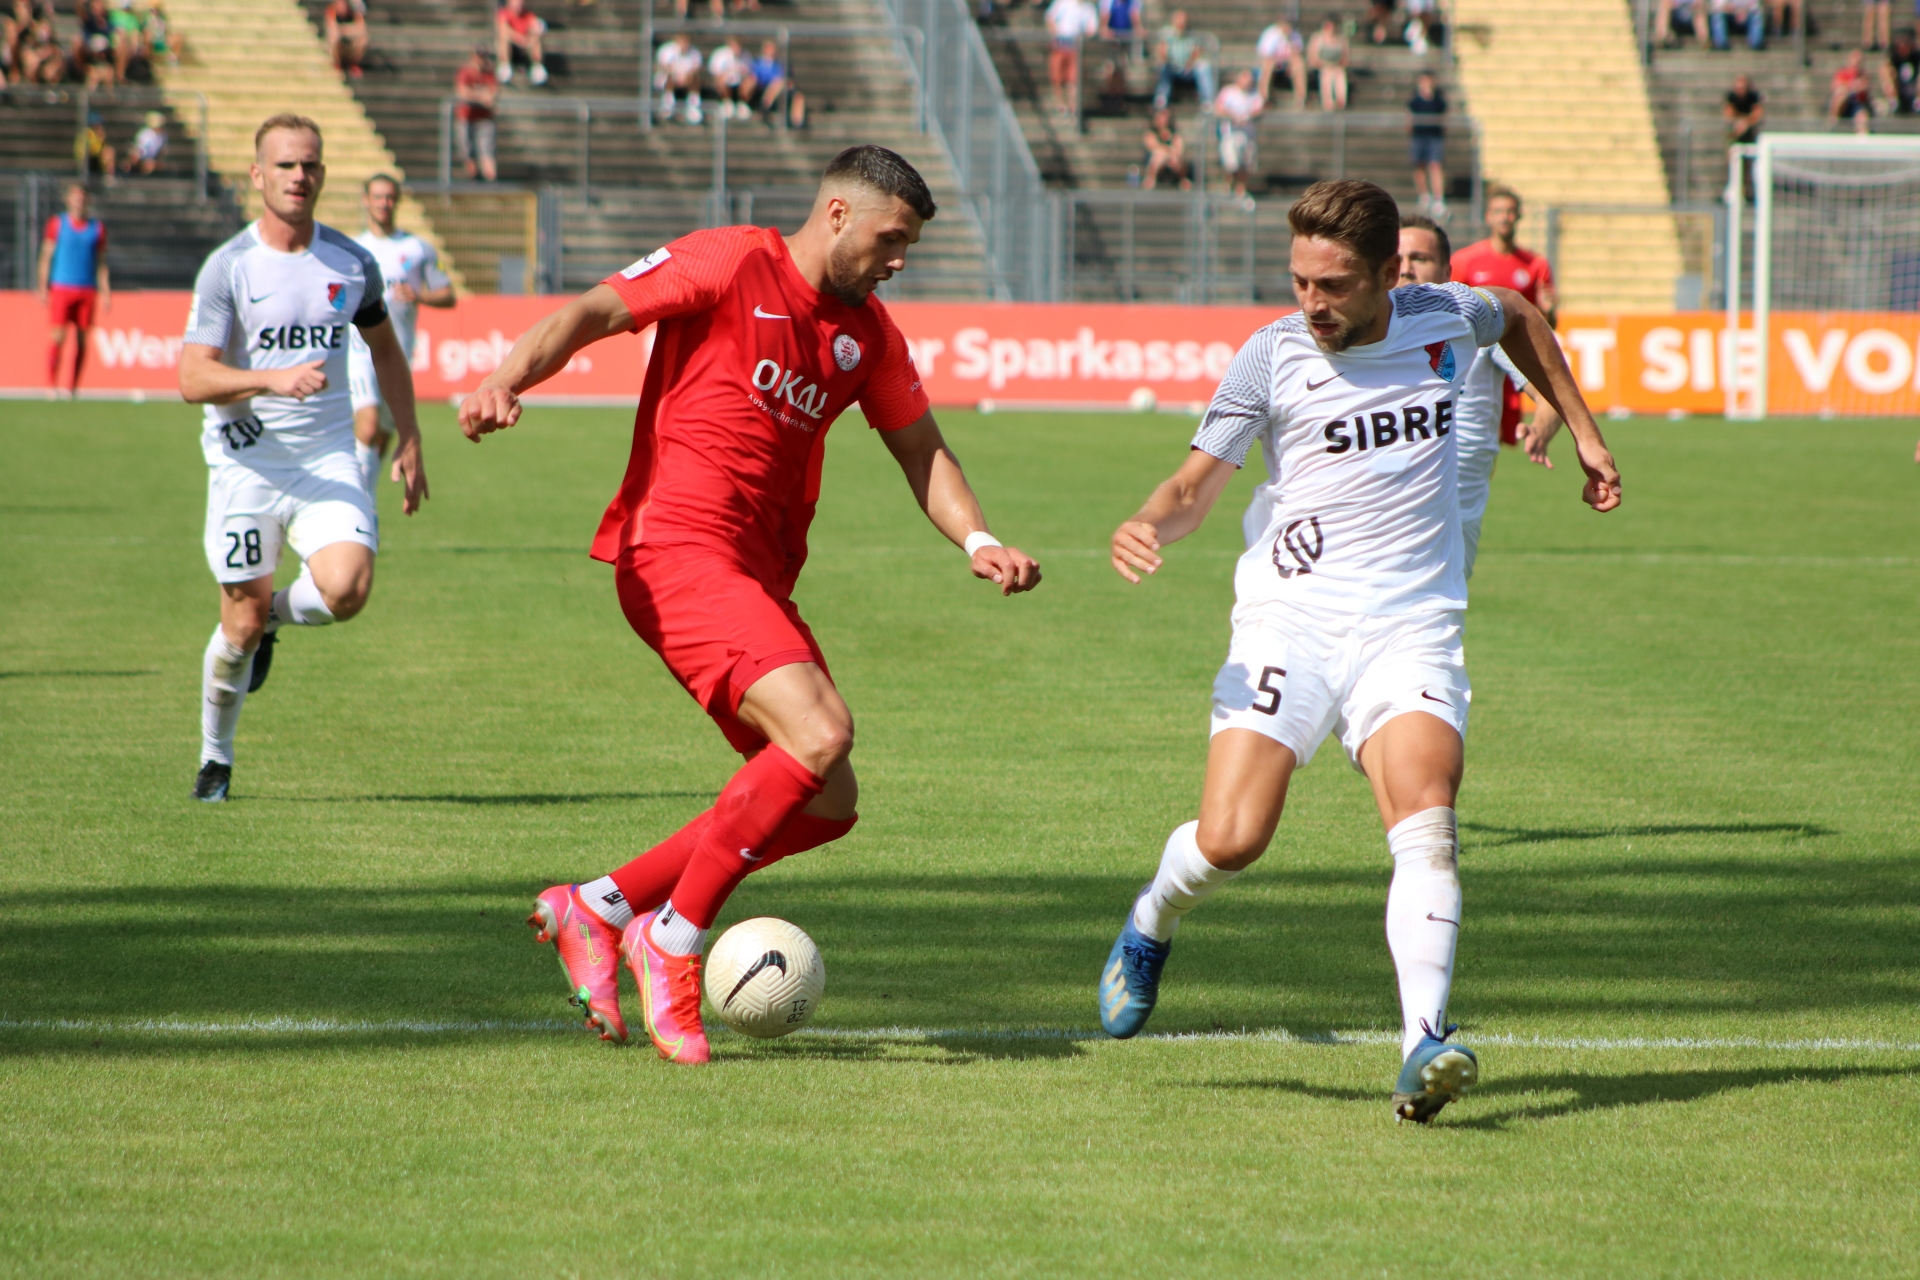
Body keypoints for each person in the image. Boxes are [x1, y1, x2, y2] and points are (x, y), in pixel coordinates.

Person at [458, 146, 1042, 1064]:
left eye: (910, 248)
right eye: (891, 240)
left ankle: (598, 907)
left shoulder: (869, 335)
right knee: (819, 733)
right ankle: (671, 940)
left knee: (825, 800)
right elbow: (593, 312)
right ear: (838, 215)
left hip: (756, 577)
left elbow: (922, 450)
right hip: (674, 549)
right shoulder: (730, 261)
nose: (898, 262)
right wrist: (505, 379)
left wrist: (979, 540)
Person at [1096, 178, 1620, 1124]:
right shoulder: (1271, 354)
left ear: (1387, 274)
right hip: (1289, 621)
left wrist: (1584, 431)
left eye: (1333, 285)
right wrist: (1144, 522)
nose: (1313, 303)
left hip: (1411, 624)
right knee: (1232, 839)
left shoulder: (1443, 316)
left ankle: (1424, 1042)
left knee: (1428, 815)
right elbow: (1192, 487)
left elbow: (1516, 315)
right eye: (1300, 281)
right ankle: (1151, 918)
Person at [177, 115, 428, 803]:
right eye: (286, 165)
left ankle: (274, 619)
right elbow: (193, 377)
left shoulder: (350, 262)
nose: (299, 176)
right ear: (258, 175)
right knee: (237, 629)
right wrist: (269, 379)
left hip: (327, 457)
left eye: (310, 164)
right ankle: (215, 759)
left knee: (347, 588)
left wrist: (410, 435)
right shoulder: (229, 266)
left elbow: (385, 349)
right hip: (247, 463)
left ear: (322, 173)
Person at [1398, 214, 1556, 575]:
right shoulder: (1369, 335)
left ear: (1446, 271)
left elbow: (1550, 392)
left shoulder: (1476, 326)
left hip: (1454, 509)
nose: (1406, 269)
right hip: (1386, 501)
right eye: (1398, 259)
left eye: (1420, 259)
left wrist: (1541, 428)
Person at [348, 174, 453, 492]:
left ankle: (363, 495)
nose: (384, 203)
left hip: (398, 353)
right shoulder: (352, 249)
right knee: (367, 426)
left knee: (382, 435)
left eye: (389, 197)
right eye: (378, 197)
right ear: (365, 200)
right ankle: (362, 506)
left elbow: (447, 294)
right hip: (360, 350)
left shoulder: (417, 248)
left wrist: (420, 295)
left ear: (398, 201)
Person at [1450, 186, 1554, 443]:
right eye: (1498, 211)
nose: (1504, 217)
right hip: (1478, 359)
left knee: (1506, 434)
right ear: (1488, 216)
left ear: (1518, 216)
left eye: (1510, 211)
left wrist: (1549, 310)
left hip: (1516, 358)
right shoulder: (1465, 261)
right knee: (1481, 429)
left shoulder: (1535, 264)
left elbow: (1549, 324)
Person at [38, 183, 109, 399]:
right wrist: (42, 286)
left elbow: (101, 263)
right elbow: (46, 256)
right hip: (62, 287)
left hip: (87, 290)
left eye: (83, 198)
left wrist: (106, 291)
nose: (79, 201)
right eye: (75, 197)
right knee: (58, 336)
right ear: (68, 199)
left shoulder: (97, 228)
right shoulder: (57, 224)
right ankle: (51, 385)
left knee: (81, 340)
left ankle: (73, 388)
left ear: (88, 201)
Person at [1213, 68, 1263, 199]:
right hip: (1231, 134)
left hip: (1249, 135)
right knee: (1231, 164)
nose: (1247, 81)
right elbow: (1218, 108)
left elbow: (1259, 109)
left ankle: (1241, 190)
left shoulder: (1254, 94)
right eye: (1245, 77)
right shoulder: (1228, 92)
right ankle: (1228, 186)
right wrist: (1233, 116)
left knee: (1247, 165)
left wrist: (1247, 117)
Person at [1152, 10, 1215, 110]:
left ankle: (1207, 101)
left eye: (1184, 21)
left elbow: (1197, 52)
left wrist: (1190, 62)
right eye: (1179, 21)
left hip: (1188, 68)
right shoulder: (1167, 34)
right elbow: (1161, 51)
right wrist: (1167, 60)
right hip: (1171, 67)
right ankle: (1161, 99)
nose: (1181, 24)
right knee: (1164, 67)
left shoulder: (1192, 35)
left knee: (1203, 66)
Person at [1047, 0, 1100, 117]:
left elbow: (1092, 29)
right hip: (1060, 45)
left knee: (1073, 79)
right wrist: (1055, 35)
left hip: (1075, 47)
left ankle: (1073, 106)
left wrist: (1083, 36)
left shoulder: (1089, 8)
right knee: (1057, 77)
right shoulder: (1062, 3)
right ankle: (1060, 104)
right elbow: (1050, 18)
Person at [454, 47, 499, 180]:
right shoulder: (465, 72)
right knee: (467, 152)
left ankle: (490, 181)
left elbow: (492, 95)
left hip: (484, 118)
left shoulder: (490, 74)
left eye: (484, 57)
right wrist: (481, 96)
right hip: (466, 117)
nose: (481, 60)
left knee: (487, 151)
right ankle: (474, 178)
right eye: (479, 57)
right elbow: (462, 93)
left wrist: (474, 95)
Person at [1408, 71, 1448, 220]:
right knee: (1419, 166)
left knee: (1435, 166)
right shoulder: (1415, 100)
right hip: (1419, 137)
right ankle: (1424, 195)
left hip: (1434, 137)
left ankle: (1438, 197)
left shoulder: (1438, 100)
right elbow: (1409, 117)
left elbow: (1444, 117)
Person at [745, 38, 805, 128]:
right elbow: (753, 77)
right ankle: (764, 106)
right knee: (775, 82)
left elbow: (787, 79)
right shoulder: (758, 63)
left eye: (773, 49)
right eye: (769, 49)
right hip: (761, 89)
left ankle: (797, 122)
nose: (772, 51)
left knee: (798, 96)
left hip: (779, 91)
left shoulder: (781, 64)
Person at [654, 33, 703, 124]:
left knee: (695, 79)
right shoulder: (666, 50)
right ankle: (668, 105)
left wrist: (685, 76)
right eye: (682, 41)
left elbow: (696, 69)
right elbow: (663, 67)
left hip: (686, 80)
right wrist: (676, 74)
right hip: (667, 80)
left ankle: (693, 106)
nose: (684, 44)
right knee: (670, 77)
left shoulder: (694, 53)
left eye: (686, 41)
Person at [1257, 16, 1305, 108]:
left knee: (1299, 63)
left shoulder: (1295, 35)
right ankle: (1264, 97)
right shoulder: (1271, 34)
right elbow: (1266, 54)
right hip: (1273, 61)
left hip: (1287, 62)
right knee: (1268, 65)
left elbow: (1297, 52)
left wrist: (1290, 41)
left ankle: (1300, 98)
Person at [496, 0, 547, 86]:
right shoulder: (503, 13)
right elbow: (504, 29)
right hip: (512, 45)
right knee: (503, 37)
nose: (519, 6)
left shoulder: (529, 15)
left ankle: (537, 67)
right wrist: (519, 38)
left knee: (536, 37)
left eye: (521, 4)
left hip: (526, 46)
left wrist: (531, 37)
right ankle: (504, 66)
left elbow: (535, 27)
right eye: (517, 4)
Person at [1141, 107, 1192, 189]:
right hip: (1158, 163)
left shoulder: (1175, 135)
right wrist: (1168, 151)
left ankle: (1182, 179)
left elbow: (1179, 150)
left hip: (1172, 163)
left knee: (1175, 159)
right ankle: (1151, 178)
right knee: (1159, 154)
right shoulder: (1151, 134)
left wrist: (1170, 155)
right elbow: (1154, 147)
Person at [1306, 15, 1349, 111]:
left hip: (1336, 66)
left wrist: (1338, 63)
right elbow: (1312, 58)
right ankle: (1328, 102)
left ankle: (1341, 101)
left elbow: (1345, 58)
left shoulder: (1341, 39)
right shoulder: (1317, 38)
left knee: (1339, 73)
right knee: (1327, 73)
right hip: (1321, 66)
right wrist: (1325, 64)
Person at [1830, 49, 1875, 133]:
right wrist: (1852, 86)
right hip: (1844, 103)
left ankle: (1862, 136)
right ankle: (1833, 124)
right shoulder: (1842, 73)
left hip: (1857, 104)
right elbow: (1836, 87)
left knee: (1862, 116)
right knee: (1840, 96)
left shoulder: (1863, 75)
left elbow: (1864, 88)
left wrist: (1854, 86)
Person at [708, 35, 750, 121]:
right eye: (735, 45)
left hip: (740, 83)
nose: (737, 48)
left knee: (751, 80)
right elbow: (715, 72)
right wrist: (727, 76)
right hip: (725, 82)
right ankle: (727, 102)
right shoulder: (720, 54)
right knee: (720, 79)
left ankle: (742, 104)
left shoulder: (746, 56)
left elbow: (749, 73)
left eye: (739, 45)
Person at [324, 0, 367, 79]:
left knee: (362, 39)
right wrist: (348, 30)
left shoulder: (355, 12)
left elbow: (361, 28)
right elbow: (333, 28)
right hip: (339, 45)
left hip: (350, 43)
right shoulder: (332, 10)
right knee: (333, 37)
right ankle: (337, 63)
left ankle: (353, 63)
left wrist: (344, 30)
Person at [1881, 30, 1919, 112]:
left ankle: (1918, 103)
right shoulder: (1894, 59)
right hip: (1899, 92)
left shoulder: (1916, 57)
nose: (1903, 48)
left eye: (1906, 45)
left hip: (1914, 91)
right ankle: (1893, 102)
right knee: (1885, 71)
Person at [125, 110, 168, 176]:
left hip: (152, 159)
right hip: (142, 158)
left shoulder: (163, 136)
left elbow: (162, 151)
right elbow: (137, 149)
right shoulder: (145, 134)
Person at [1726, 72, 1765, 143]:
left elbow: (1757, 114)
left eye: (1742, 88)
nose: (1740, 91)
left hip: (1750, 126)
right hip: (1736, 124)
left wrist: (1746, 122)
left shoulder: (1753, 96)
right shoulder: (1731, 96)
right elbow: (1729, 114)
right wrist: (1740, 121)